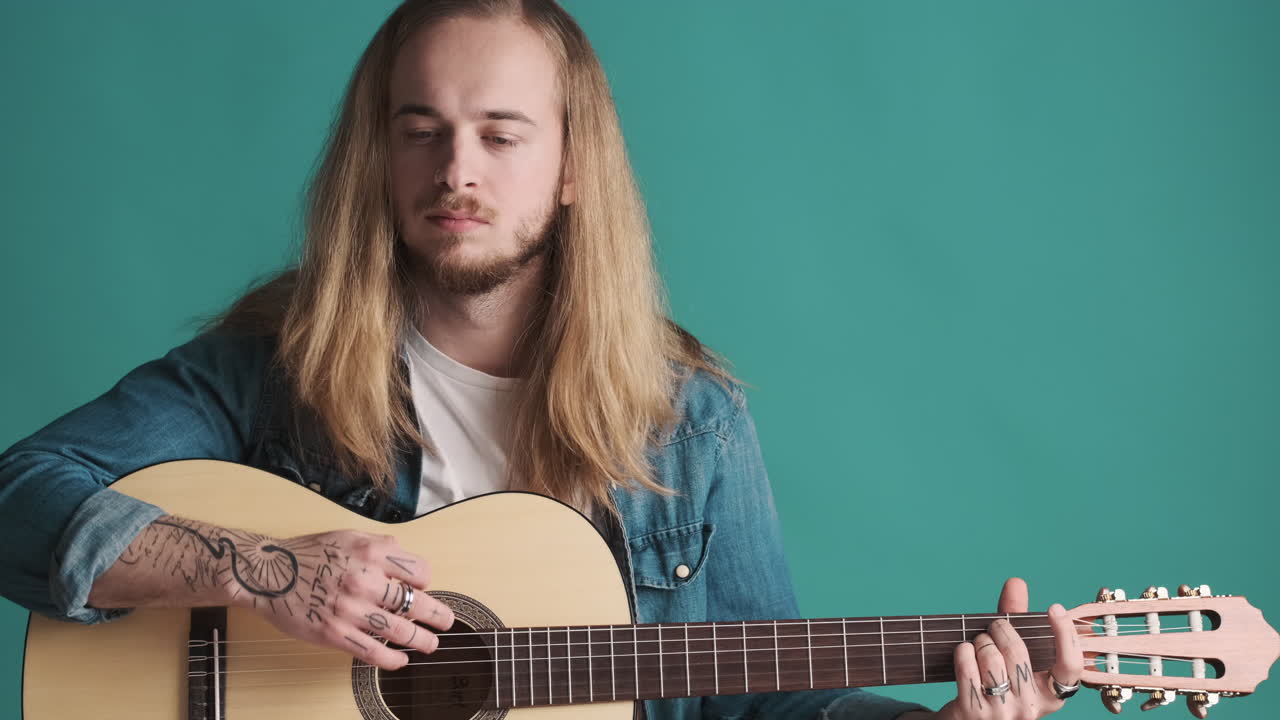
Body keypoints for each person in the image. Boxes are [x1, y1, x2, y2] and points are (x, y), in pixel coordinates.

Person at [0, 1, 1081, 718]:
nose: (455, 170)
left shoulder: (688, 420)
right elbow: (17, 498)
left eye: (501, 134)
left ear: (570, 167)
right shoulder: (273, 366)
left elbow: (759, 697)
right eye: (420, 130)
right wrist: (264, 571)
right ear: (379, 157)